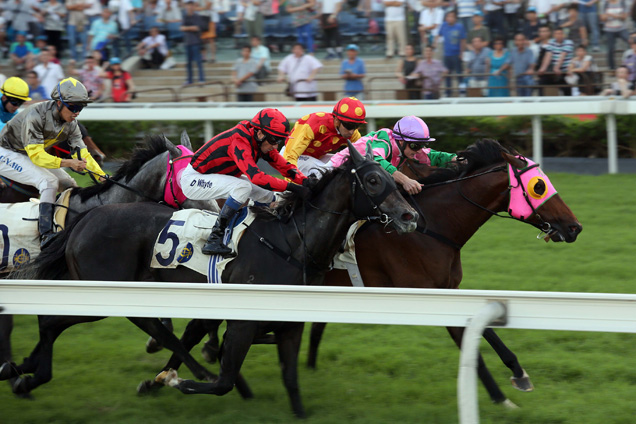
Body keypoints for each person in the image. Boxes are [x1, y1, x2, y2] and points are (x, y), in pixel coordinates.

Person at [179, 108, 307, 256]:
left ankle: (262, 227)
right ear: (260, 133)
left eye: (279, 141)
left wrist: (305, 181)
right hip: (193, 180)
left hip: (216, 176)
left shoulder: (259, 140)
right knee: (243, 187)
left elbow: (284, 167)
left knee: (266, 194)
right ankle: (214, 239)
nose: (275, 146)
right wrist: (293, 187)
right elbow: (257, 177)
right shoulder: (239, 141)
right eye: (273, 140)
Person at [0, 77, 105, 246]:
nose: (76, 112)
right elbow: (36, 156)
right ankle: (46, 234)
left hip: (26, 152)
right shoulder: (35, 115)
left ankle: (74, 222)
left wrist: (102, 176)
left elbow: (83, 153)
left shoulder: (72, 124)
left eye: (80, 107)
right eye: (73, 107)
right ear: (58, 103)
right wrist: (69, 163)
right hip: (5, 152)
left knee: (69, 182)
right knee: (49, 182)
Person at [329, 116, 456, 194]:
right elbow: (374, 159)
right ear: (401, 141)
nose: (419, 150)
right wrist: (405, 180)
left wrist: (455, 158)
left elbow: (432, 156)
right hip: (334, 170)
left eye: (422, 145)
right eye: (415, 146)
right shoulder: (384, 141)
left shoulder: (407, 149)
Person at [281, 97, 365, 176]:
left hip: (316, 157)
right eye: (349, 125)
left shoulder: (353, 133)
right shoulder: (313, 124)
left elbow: (362, 155)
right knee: (325, 172)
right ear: (336, 120)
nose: (352, 131)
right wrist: (291, 185)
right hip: (290, 155)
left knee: (346, 164)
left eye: (356, 125)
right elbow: (290, 156)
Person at [436, 10, 466, 97]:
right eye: (448, 16)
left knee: (459, 74)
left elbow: (463, 40)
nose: (450, 18)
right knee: (447, 75)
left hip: (456, 54)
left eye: (452, 16)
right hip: (447, 55)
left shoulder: (460, 27)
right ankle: (448, 93)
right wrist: (434, 45)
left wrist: (462, 53)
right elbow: (438, 35)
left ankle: (462, 92)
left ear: (455, 18)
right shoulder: (444, 25)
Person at [538, 27, 573, 95]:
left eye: (560, 33)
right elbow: (548, 55)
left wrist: (557, 67)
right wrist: (543, 68)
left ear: (563, 34)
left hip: (565, 71)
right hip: (554, 72)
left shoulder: (568, 42)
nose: (558, 35)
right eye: (557, 33)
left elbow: (563, 55)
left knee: (567, 89)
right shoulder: (551, 42)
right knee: (541, 82)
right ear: (554, 35)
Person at [181, 0, 206, 85]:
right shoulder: (185, 17)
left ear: (194, 6)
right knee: (188, 63)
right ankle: (189, 80)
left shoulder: (197, 16)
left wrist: (187, 28)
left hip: (196, 41)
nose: (189, 7)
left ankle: (201, 79)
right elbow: (182, 28)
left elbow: (197, 28)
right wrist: (190, 28)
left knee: (198, 61)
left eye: (191, 5)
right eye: (188, 5)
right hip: (187, 42)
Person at [601, 0, 629, 70]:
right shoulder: (605, 4)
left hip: (621, 28)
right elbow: (602, 18)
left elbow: (624, 17)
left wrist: (611, 15)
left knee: (631, 41)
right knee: (610, 49)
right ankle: (612, 68)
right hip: (609, 29)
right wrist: (618, 15)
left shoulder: (622, 2)